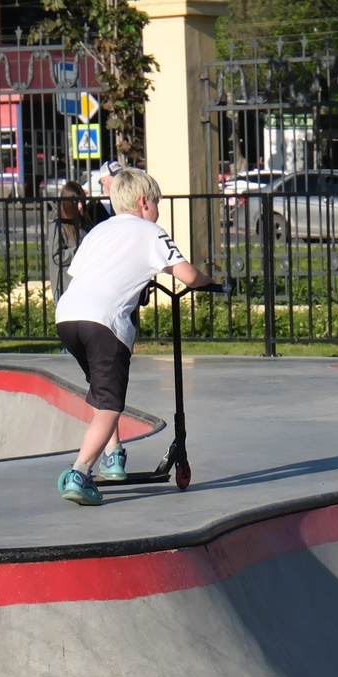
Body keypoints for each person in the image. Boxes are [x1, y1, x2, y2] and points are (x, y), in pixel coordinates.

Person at [52, 166, 208, 504]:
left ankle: (114, 457)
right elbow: (188, 275)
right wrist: (209, 281)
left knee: (101, 391)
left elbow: (80, 271)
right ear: (142, 202)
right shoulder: (150, 232)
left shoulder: (99, 231)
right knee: (110, 402)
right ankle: (79, 473)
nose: (157, 210)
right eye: (156, 203)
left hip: (67, 316)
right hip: (104, 322)